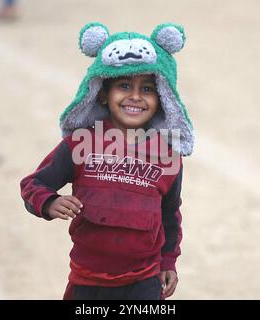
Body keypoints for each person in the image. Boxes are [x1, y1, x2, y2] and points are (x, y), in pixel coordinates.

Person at [20, 22, 195, 300]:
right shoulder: (80, 143)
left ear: (163, 98)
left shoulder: (167, 154)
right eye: (124, 85)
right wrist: (50, 202)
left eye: (147, 89)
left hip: (144, 281)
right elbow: (33, 184)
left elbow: (170, 213)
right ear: (102, 92)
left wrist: (168, 262)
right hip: (88, 280)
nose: (135, 96)